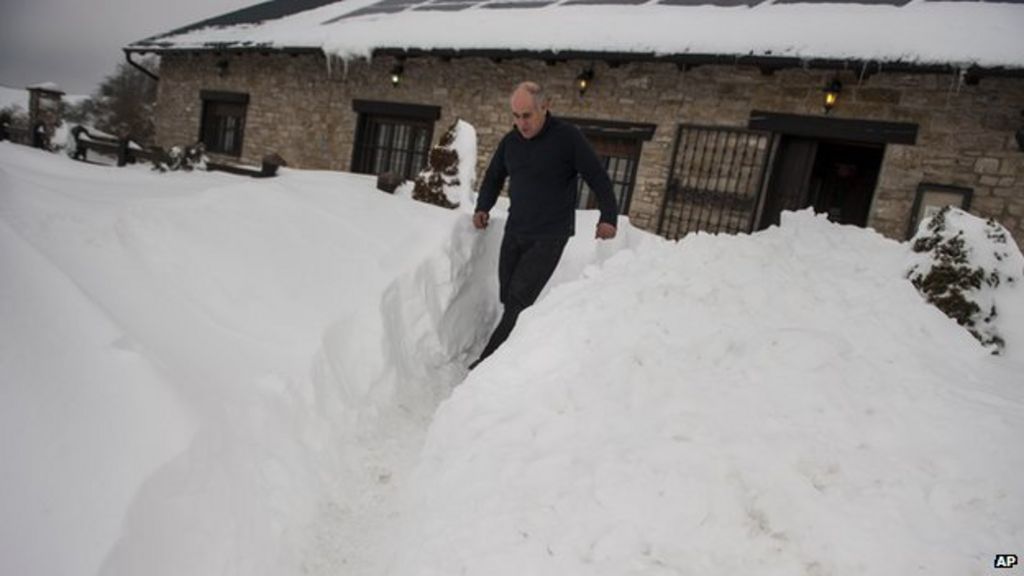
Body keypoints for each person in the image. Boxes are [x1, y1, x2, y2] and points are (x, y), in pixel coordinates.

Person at [470, 81, 618, 369]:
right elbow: (493, 177)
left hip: (550, 234)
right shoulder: (510, 142)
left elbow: (598, 177)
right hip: (516, 229)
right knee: (508, 294)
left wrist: (608, 217)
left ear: (544, 108)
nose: (520, 123)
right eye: (515, 116)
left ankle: (485, 365)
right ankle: (515, 344)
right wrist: (482, 207)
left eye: (526, 115)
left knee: (518, 300)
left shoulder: (568, 138)